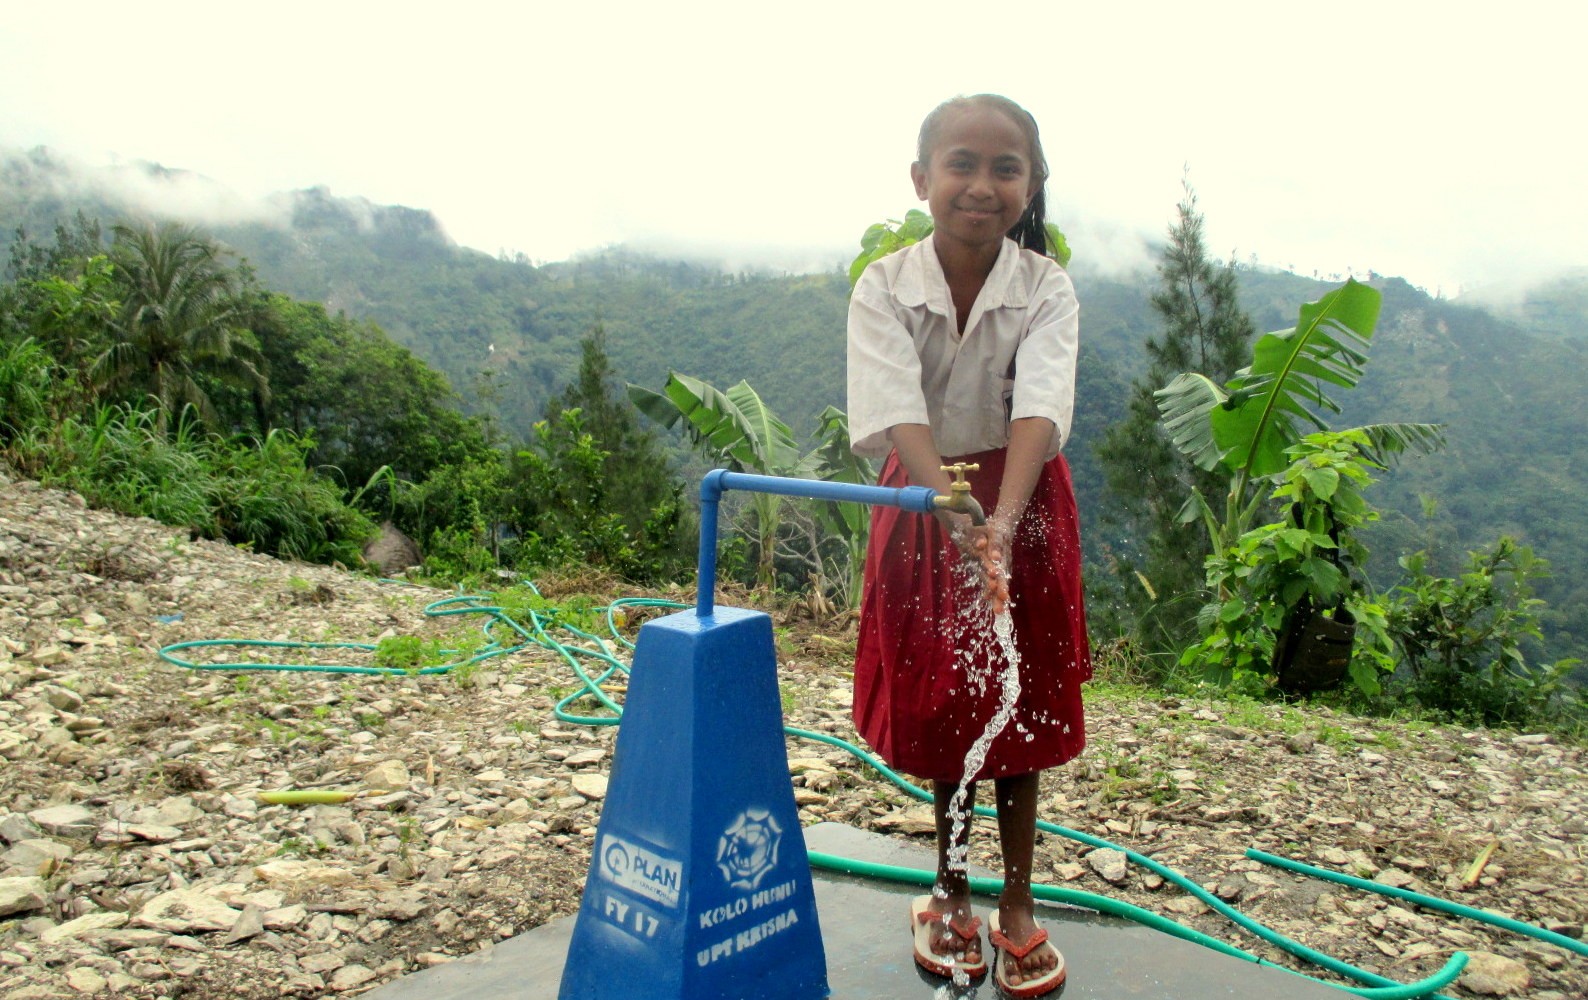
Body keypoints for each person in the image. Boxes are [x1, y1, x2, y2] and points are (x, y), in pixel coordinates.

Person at [846, 93, 1090, 997]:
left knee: (1020, 700)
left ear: (1030, 186)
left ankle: (1017, 905)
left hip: (1023, 500)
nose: (982, 187)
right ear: (921, 179)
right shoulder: (883, 285)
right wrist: (951, 506)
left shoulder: (1046, 286)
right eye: (962, 165)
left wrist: (1003, 517)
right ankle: (948, 892)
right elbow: (895, 406)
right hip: (923, 496)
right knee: (949, 699)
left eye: (1006, 169)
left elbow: (1040, 405)